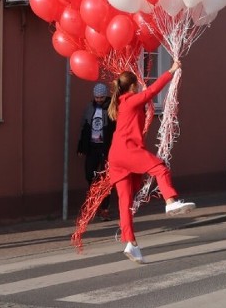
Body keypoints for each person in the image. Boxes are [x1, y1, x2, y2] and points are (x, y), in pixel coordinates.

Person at [108, 62, 195, 263]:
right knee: (160, 168)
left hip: (116, 156)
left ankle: (131, 243)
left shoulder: (122, 103)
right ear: (132, 87)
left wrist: (145, 95)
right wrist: (171, 71)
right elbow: (155, 90)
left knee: (125, 202)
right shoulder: (130, 101)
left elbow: (145, 102)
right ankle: (170, 202)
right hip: (128, 151)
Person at [77, 83, 116, 221]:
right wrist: (81, 146)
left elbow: (116, 128)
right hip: (92, 146)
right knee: (89, 174)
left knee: (106, 178)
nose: (99, 99)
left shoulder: (112, 107)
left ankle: (105, 208)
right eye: (96, 97)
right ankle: (94, 203)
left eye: (101, 97)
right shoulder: (90, 107)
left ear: (105, 96)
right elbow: (84, 126)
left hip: (106, 147)